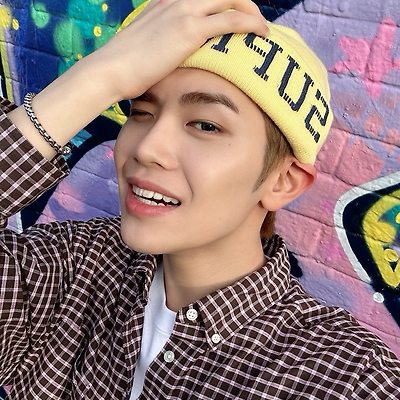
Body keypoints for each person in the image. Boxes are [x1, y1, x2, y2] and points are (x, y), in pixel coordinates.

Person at [1, 0, 399, 398]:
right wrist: (102, 76)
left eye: (206, 125)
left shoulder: (348, 377)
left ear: (282, 181)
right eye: (141, 112)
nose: (147, 148)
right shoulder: (76, 268)